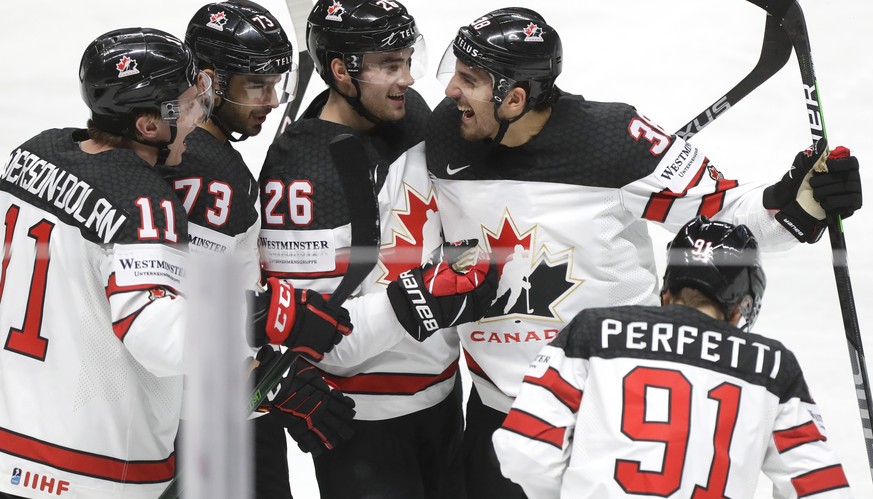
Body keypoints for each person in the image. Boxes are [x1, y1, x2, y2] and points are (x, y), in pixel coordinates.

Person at [426, 7, 863, 497]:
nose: (449, 92)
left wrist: (796, 204)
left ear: (515, 96)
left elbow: (722, 218)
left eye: (469, 78)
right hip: (493, 411)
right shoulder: (449, 133)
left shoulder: (616, 140)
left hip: (605, 420)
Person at [258, 0, 496, 497]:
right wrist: (422, 297)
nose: (408, 79)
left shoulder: (407, 114)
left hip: (442, 396)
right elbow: (318, 340)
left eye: (409, 59)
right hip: (363, 425)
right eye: (390, 65)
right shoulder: (302, 176)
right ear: (342, 72)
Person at [492, 215, 851, 498]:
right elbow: (821, 488)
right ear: (741, 308)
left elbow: (524, 449)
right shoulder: (772, 366)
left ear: (668, 290)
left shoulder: (593, 331)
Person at [0, 28, 213, 498]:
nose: (197, 117)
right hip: (92, 469)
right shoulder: (143, 201)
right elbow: (160, 341)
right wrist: (253, 318)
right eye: (187, 104)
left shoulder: (30, 154)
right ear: (148, 126)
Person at [173, 2, 356, 498]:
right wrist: (269, 379)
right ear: (209, 82)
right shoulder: (210, 176)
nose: (273, 100)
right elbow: (180, 309)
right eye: (257, 85)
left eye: (276, 82)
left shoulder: (185, 150)